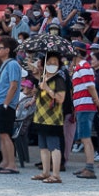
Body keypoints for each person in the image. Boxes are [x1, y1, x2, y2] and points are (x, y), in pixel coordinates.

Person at [32, 52, 67, 183]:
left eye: (55, 62)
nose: (52, 64)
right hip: (40, 117)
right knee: (43, 146)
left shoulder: (59, 80)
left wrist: (47, 89)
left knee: (54, 146)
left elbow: (61, 98)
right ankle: (45, 172)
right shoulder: (43, 78)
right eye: (49, 62)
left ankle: (56, 174)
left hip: (53, 119)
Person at [70, 42, 99, 179]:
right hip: (83, 106)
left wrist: (98, 102)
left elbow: (90, 87)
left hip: (85, 106)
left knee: (85, 138)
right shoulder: (81, 67)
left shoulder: (83, 66)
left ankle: (90, 168)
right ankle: (88, 166)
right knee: (85, 137)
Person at [0, 37, 22, 174]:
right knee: (1, 134)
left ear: (7, 50)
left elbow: (13, 85)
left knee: (6, 134)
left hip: (5, 105)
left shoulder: (13, 64)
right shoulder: (4, 64)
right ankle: (4, 161)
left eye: (0, 47)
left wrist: (6, 103)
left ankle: (11, 164)